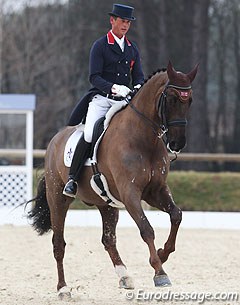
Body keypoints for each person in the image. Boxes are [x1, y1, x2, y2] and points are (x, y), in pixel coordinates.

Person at [63, 3, 144, 198]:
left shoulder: (132, 49)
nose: (125, 25)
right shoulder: (100, 45)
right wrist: (115, 87)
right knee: (90, 133)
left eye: (128, 22)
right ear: (112, 21)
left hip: (123, 102)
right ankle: (72, 179)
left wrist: (137, 88)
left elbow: (139, 76)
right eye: (122, 21)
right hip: (102, 99)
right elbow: (94, 77)